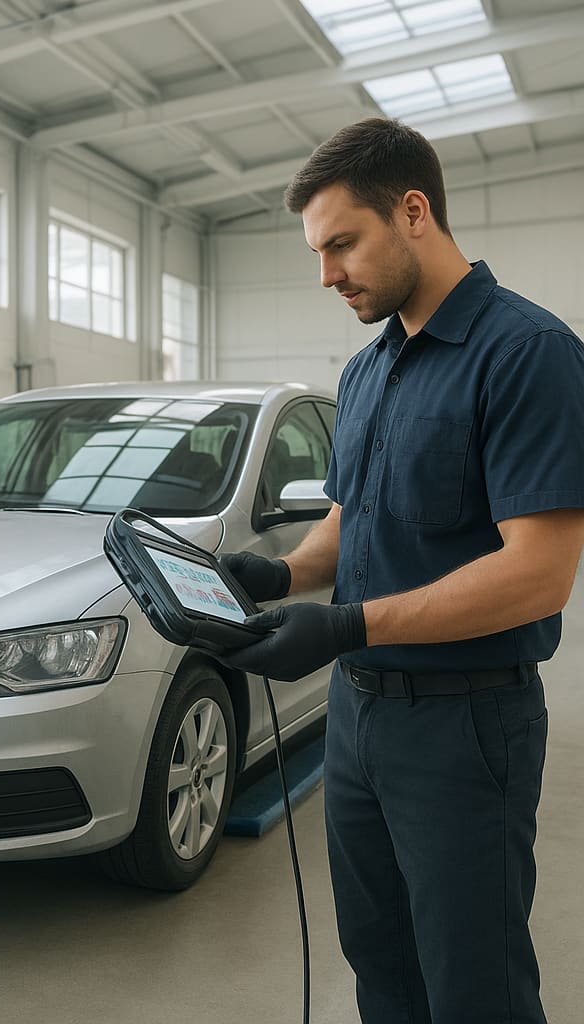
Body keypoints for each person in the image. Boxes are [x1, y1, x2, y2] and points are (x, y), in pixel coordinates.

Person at [220, 118, 584, 1024]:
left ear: (413, 211)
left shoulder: (527, 354)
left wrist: (349, 624)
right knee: (379, 961)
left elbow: (540, 574)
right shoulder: (368, 371)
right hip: (359, 720)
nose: (327, 274)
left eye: (342, 243)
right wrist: (277, 576)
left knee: (474, 985)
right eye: (318, 251)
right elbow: (349, 523)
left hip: (466, 730)